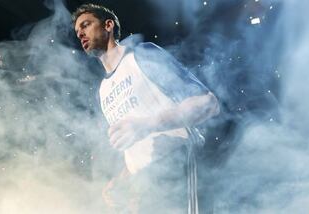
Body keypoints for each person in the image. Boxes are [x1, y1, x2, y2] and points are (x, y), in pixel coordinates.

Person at [72, 4, 219, 213]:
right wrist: (123, 177)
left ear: (108, 25)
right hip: (144, 186)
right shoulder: (103, 91)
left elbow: (208, 103)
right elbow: (135, 146)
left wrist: (148, 125)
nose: (81, 34)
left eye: (86, 25)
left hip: (177, 164)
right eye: (78, 32)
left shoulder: (141, 55)